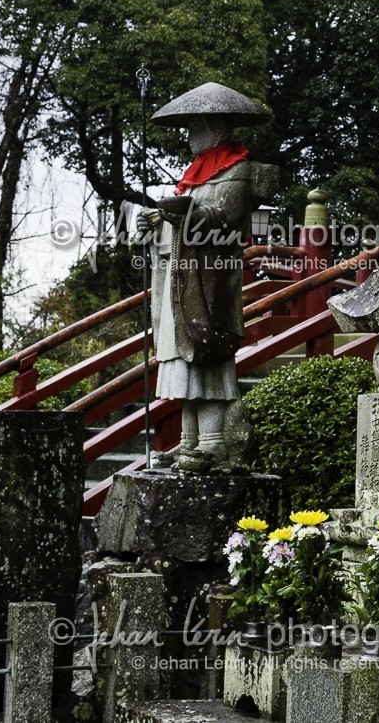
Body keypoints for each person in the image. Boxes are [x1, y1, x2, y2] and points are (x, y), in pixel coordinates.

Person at [135, 83, 279, 473]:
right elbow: (182, 224)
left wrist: (181, 213)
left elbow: (225, 224)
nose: (189, 135)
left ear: (216, 127)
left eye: (196, 126)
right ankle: (188, 442)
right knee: (184, 360)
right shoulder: (193, 176)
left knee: (206, 355)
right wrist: (155, 223)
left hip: (210, 279)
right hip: (181, 277)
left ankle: (213, 443)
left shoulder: (237, 170)